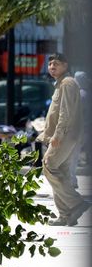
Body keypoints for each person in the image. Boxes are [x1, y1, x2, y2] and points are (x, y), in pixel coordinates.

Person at [38, 52, 88, 227]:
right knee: (62, 173)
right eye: (50, 64)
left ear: (65, 66)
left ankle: (76, 203)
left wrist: (57, 136)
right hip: (66, 135)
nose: (52, 67)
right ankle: (66, 215)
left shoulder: (67, 84)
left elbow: (65, 114)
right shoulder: (61, 84)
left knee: (48, 165)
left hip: (65, 135)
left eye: (56, 64)